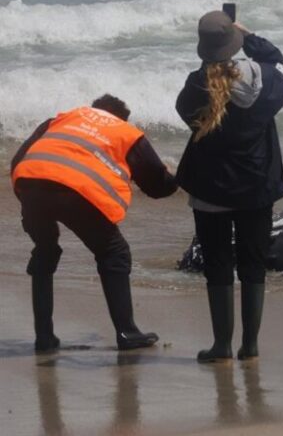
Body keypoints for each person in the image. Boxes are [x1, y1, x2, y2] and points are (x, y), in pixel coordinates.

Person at [11, 94, 177, 352]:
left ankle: (44, 337)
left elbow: (18, 161)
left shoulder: (62, 119)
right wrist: (179, 176)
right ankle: (127, 332)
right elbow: (158, 187)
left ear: (94, 110)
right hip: (75, 191)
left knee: (45, 250)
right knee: (114, 253)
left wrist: (29, 203)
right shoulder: (126, 132)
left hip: (29, 183)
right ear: (122, 116)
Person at [175, 10, 283, 363]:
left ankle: (222, 346)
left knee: (218, 264)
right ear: (235, 42)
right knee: (253, 263)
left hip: (211, 190)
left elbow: (186, 113)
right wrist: (251, 36)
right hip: (255, 189)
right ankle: (251, 345)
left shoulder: (196, 87)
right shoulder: (267, 82)